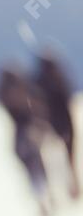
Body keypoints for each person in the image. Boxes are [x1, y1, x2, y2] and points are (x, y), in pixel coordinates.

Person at [0, 61, 57, 216]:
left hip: (25, 136)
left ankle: (45, 200)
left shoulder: (13, 93)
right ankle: (45, 200)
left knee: (35, 168)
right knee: (36, 167)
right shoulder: (23, 94)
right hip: (27, 135)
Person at [36, 48, 80, 199]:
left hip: (52, 125)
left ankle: (63, 189)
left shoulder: (40, 80)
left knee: (57, 160)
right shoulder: (58, 76)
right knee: (68, 157)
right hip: (65, 122)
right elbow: (67, 95)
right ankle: (72, 186)